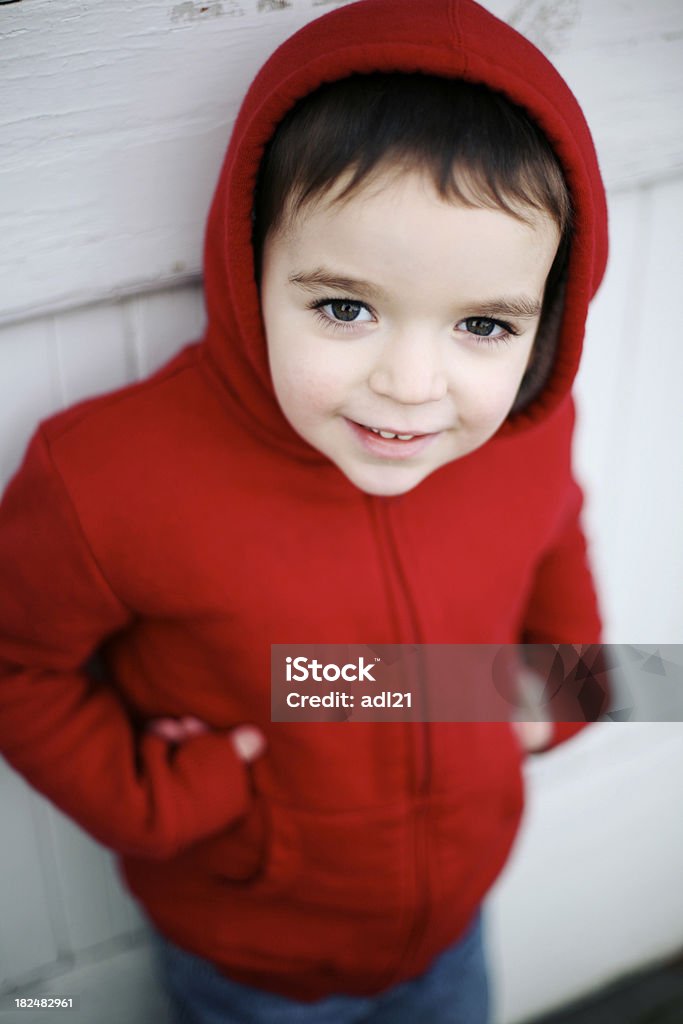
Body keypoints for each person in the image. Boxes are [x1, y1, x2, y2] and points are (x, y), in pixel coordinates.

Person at [0, 0, 610, 1020]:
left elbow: (557, 553)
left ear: (545, 313)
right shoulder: (110, 475)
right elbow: (16, 664)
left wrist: (557, 701)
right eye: (343, 306)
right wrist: (161, 797)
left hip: (453, 921)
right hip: (249, 957)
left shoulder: (524, 435)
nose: (412, 385)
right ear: (250, 268)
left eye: (482, 323)